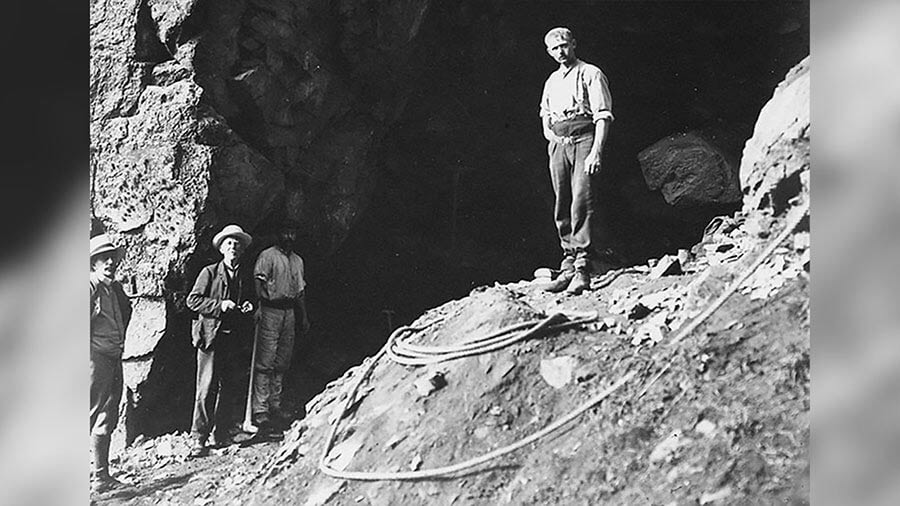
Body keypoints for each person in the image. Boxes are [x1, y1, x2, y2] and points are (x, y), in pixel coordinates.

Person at [539, 27, 614, 295]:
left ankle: (583, 266)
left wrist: (596, 151)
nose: (560, 52)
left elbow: (602, 115)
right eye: (554, 48)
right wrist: (552, 137)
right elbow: (545, 113)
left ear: (573, 44)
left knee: (582, 199)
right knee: (562, 201)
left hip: (584, 140)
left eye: (564, 45)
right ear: (549, 52)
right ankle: (568, 264)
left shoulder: (591, 73)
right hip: (559, 145)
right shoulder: (552, 80)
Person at [186, 224, 257, 457]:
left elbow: (250, 299)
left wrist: (248, 306)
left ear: (242, 249)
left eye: (237, 244)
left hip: (233, 339)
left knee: (229, 386)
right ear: (222, 248)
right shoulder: (209, 272)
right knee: (206, 388)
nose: (233, 247)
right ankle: (199, 438)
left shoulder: (244, 275)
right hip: (210, 338)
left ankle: (221, 433)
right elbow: (193, 301)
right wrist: (219, 305)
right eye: (229, 243)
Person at [250, 227, 310, 434]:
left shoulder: (298, 260)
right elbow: (259, 281)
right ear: (278, 234)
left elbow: (300, 291)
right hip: (270, 310)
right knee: (265, 360)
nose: (289, 237)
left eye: (292, 233)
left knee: (282, 361)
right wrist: (259, 305)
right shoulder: (268, 256)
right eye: (285, 233)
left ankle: (275, 405)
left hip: (289, 312)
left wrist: (304, 316)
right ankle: (260, 409)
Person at [90, 234, 132, 494]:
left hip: (113, 357)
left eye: (112, 258)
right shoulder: (90, 287)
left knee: (107, 415)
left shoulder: (111, 288)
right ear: (92, 263)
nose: (109, 262)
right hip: (94, 360)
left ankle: (101, 477)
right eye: (103, 258)